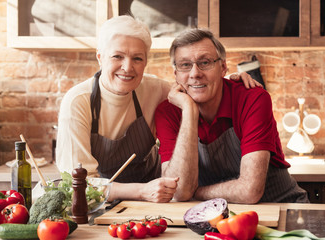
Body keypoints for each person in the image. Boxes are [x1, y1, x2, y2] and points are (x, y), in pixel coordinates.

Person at [56, 16, 258, 203]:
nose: (127, 67)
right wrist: (141, 191)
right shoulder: (78, 103)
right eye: (117, 56)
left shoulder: (155, 89)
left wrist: (230, 80)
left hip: (155, 202)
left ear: (145, 61)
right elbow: (76, 185)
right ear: (100, 57)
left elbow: (194, 83)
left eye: (137, 58)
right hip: (102, 204)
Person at [155, 28, 309, 203]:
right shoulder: (167, 112)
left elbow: (249, 191)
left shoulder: (252, 98)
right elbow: (179, 192)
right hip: (212, 218)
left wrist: (196, 192)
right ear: (175, 74)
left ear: (223, 67)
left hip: (281, 209)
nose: (195, 73)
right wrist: (189, 111)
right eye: (185, 65)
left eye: (205, 62)